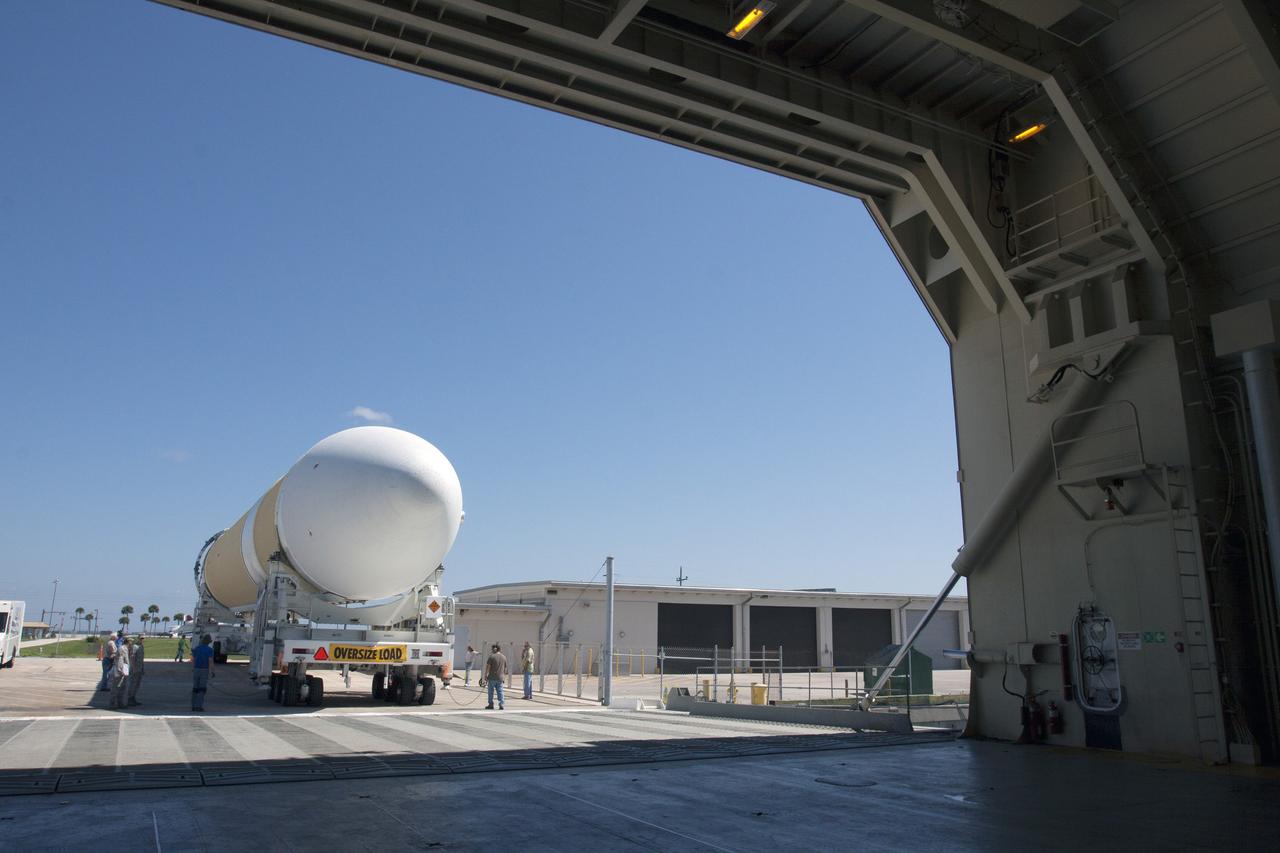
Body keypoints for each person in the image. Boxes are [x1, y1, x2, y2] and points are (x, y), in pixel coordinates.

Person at [191, 634, 216, 712]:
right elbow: (210, 661)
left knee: (195, 688)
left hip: (196, 669)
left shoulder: (197, 649)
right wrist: (212, 671)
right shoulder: (210, 650)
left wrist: (194, 668)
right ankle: (198, 706)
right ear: (209, 642)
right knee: (202, 689)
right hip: (204, 670)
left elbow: (193, 659)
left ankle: (193, 705)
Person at [109, 637, 132, 710]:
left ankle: (120, 703)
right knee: (115, 688)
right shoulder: (122, 648)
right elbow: (119, 660)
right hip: (120, 671)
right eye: (130, 641)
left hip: (124, 670)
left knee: (122, 688)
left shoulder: (126, 648)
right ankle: (112, 704)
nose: (131, 643)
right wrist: (120, 670)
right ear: (128, 642)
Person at [482, 643, 507, 710]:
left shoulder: (491, 657)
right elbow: (505, 668)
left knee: (490, 691)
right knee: (500, 691)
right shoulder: (504, 657)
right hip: (500, 677)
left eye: (492, 649)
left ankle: (491, 704)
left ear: (495, 649)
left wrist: (485, 676)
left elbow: (488, 667)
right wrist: (504, 676)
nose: (492, 650)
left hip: (492, 677)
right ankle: (501, 704)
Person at [127, 635, 145, 707]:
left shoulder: (141, 646)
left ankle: (133, 697)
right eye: (141, 638)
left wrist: (142, 668)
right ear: (138, 638)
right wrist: (133, 668)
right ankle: (130, 699)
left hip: (140, 668)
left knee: (137, 684)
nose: (142, 639)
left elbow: (142, 659)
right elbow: (132, 658)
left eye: (143, 638)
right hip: (135, 668)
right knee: (133, 684)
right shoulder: (135, 646)